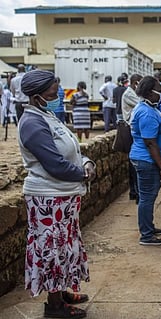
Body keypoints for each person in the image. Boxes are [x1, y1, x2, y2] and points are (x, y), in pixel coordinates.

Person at [17, 69, 96, 319]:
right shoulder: (31, 123)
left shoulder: (47, 115)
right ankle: (54, 306)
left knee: (64, 248)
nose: (58, 96)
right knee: (52, 250)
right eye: (53, 93)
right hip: (48, 199)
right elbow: (55, 164)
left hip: (62, 197)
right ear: (37, 95)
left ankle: (60, 291)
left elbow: (69, 148)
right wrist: (83, 173)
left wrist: (86, 161)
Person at [129, 76, 161, 246]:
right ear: (149, 93)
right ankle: (146, 235)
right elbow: (150, 142)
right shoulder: (146, 112)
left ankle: (149, 227)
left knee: (148, 197)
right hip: (146, 160)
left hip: (144, 159)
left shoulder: (146, 108)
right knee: (147, 198)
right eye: (159, 90)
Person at [121, 73, 143, 203]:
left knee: (133, 162)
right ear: (135, 83)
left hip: (134, 129)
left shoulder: (133, 93)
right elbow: (142, 104)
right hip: (130, 129)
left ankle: (134, 191)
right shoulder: (129, 94)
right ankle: (136, 191)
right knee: (134, 162)